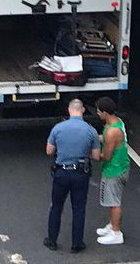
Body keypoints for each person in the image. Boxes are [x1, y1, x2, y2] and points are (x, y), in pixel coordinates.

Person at [44, 99, 101, 253]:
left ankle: (52, 240)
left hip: (61, 172)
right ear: (82, 110)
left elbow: (49, 151)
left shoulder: (58, 128)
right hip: (80, 174)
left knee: (56, 206)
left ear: (69, 110)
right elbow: (96, 156)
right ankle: (76, 243)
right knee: (79, 208)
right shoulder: (91, 131)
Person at [95, 96, 130, 245]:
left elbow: (106, 156)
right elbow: (107, 139)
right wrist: (94, 137)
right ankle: (112, 225)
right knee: (111, 200)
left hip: (113, 170)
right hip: (121, 166)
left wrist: (93, 154)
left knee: (114, 202)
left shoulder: (111, 132)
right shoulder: (116, 123)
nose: (97, 114)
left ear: (105, 112)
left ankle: (116, 233)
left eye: (98, 111)